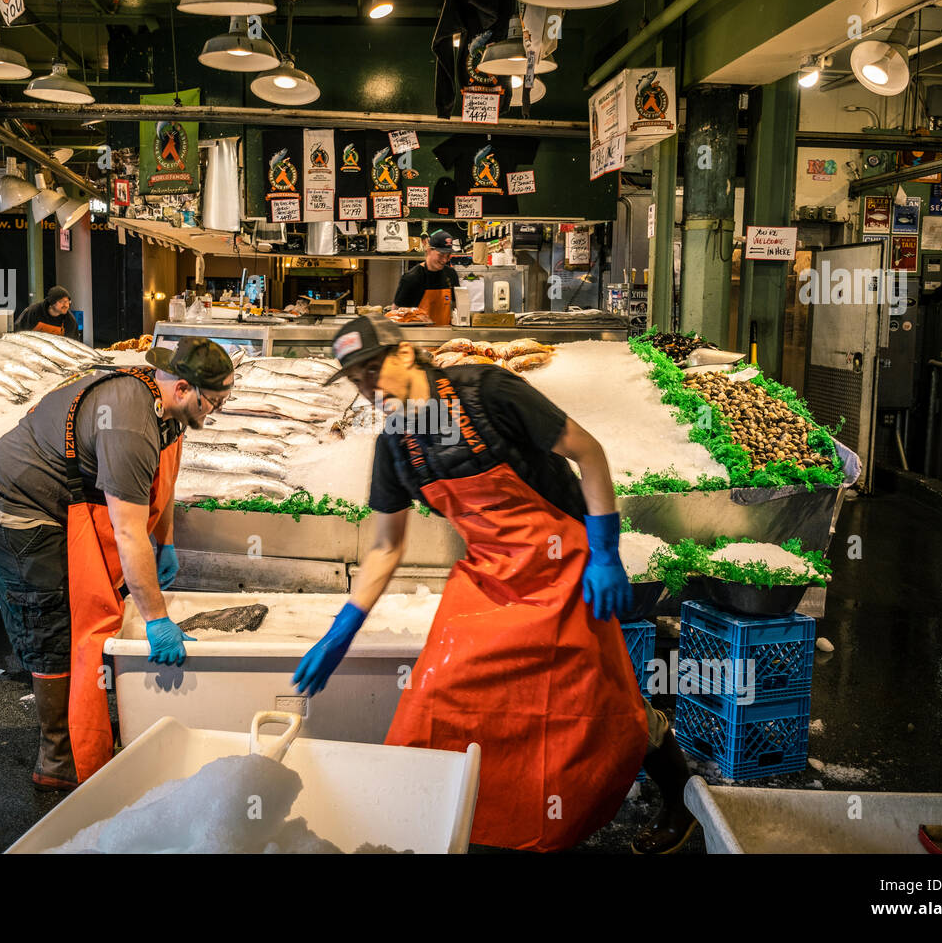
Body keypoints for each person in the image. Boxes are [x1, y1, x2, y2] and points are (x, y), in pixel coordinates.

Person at [292, 316, 696, 853]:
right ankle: (456, 827)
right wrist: (342, 629)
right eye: (356, 379)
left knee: (597, 702)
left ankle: (680, 797)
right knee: (436, 695)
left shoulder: (487, 391)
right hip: (489, 575)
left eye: (374, 369)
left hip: (564, 563)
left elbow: (589, 452)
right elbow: (387, 545)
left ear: (407, 354)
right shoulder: (396, 442)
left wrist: (604, 553)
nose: (369, 387)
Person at [0, 337, 235, 790]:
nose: (215, 412)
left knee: (86, 616)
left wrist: (164, 540)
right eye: (214, 403)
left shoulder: (164, 403)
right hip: (12, 514)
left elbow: (159, 479)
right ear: (184, 388)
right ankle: (58, 759)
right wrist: (156, 618)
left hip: (58, 507)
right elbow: (127, 533)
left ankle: (88, 727)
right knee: (52, 625)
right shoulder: (129, 426)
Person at [392, 229, 460, 326]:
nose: (445, 260)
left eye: (448, 255)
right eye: (440, 255)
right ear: (429, 251)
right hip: (418, 337)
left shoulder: (451, 274)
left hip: (446, 336)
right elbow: (395, 313)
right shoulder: (411, 278)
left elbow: (455, 306)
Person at [15, 285, 79, 340]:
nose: (66, 305)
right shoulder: (33, 312)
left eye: (67, 301)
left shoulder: (70, 321)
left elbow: (72, 343)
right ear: (52, 303)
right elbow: (18, 333)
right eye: (61, 301)